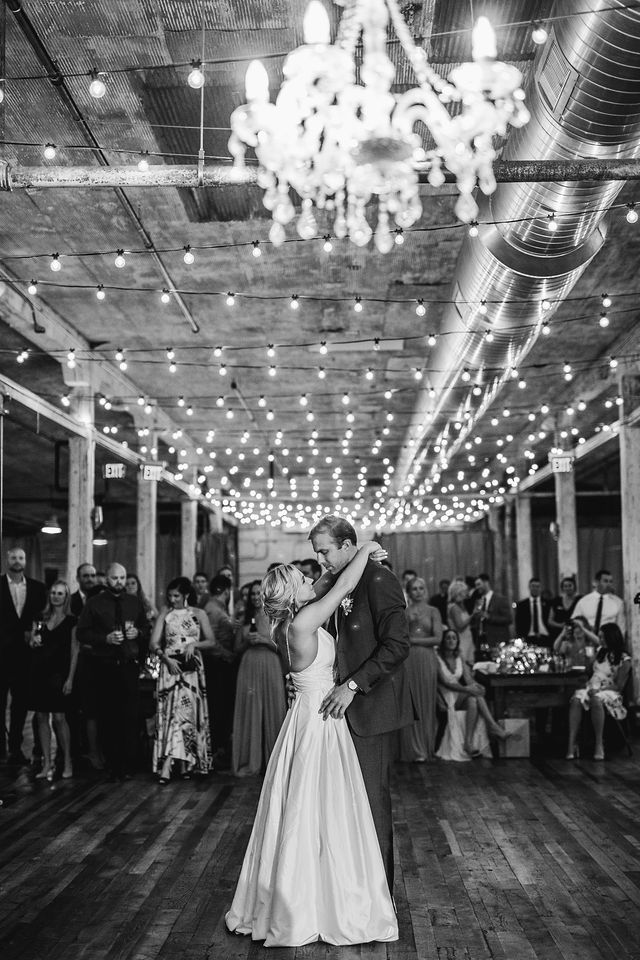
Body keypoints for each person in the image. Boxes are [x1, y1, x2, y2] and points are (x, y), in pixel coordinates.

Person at [225, 542, 398, 947]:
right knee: (326, 806)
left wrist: (323, 573)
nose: (311, 578)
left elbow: (322, 586)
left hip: (302, 717)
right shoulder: (303, 625)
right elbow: (341, 587)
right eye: (302, 579)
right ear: (291, 595)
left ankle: (301, 895)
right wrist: (366, 549)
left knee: (300, 804)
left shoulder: (282, 626)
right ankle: (318, 903)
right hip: (321, 720)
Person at [309, 515, 414, 890]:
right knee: (342, 806)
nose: (321, 560)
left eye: (325, 552)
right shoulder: (339, 582)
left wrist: (352, 685)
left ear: (348, 545)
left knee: (371, 805)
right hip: (335, 710)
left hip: (368, 708)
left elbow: (398, 645)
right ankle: (349, 891)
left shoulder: (380, 580)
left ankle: (381, 897)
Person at [77, 562, 150, 781]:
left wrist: (137, 632)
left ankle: (129, 764)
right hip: (104, 667)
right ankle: (112, 764)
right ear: (106, 579)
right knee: (108, 717)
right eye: (115, 578)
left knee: (130, 716)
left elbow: (146, 628)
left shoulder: (134, 602)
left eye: (122, 578)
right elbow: (81, 633)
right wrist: (104, 638)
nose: (119, 582)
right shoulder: (94, 603)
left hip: (129, 665)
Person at [149, 577, 215, 782]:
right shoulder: (165, 615)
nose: (172, 599)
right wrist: (165, 657)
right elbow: (153, 643)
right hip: (171, 668)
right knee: (172, 714)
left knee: (187, 714)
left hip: (191, 668)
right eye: (170, 596)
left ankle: (181, 762)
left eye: (176, 595)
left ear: (186, 595)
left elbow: (211, 641)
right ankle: (174, 764)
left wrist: (194, 645)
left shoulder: (199, 613)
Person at [231, 580, 286, 777]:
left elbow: (285, 648)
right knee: (250, 710)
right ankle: (250, 760)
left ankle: (275, 761)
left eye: (258, 593)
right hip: (249, 664)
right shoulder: (244, 618)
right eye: (252, 594)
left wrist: (264, 640)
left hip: (271, 662)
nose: (255, 597)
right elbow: (235, 649)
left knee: (274, 708)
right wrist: (246, 640)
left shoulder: (275, 616)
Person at [0, 547, 48, 764]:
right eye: (13, 557)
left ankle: (15, 748)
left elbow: (42, 619)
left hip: (25, 656)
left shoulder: (38, 588)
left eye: (21, 557)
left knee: (20, 705)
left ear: (26, 561)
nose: (17, 561)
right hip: (1, 654)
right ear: (6, 560)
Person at [28, 580, 78, 781]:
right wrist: (32, 641)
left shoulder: (72, 621)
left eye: (61, 593)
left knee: (59, 718)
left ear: (66, 597)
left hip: (60, 674)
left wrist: (71, 679)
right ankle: (46, 762)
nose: (56, 596)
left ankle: (66, 760)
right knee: (41, 717)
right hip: (40, 672)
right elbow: (33, 641)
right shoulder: (41, 617)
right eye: (54, 593)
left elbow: (75, 652)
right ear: (50, 596)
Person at [436, 628, 510, 761]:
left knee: (474, 699)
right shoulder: (437, 658)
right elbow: (445, 682)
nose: (451, 641)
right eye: (448, 638)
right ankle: (492, 726)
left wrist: (476, 686)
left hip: (459, 693)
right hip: (446, 694)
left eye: (454, 638)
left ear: (458, 641)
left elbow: (468, 678)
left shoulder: (459, 656)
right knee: (474, 695)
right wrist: (468, 690)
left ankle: (468, 743)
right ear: (443, 641)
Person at [566, 623, 632, 760]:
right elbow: (590, 673)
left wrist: (599, 689)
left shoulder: (624, 659)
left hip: (610, 691)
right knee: (577, 699)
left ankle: (599, 744)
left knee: (596, 699)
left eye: (602, 637)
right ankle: (571, 745)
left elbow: (619, 686)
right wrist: (588, 663)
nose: (600, 640)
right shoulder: (600, 653)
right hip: (592, 686)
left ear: (611, 637)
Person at [399, 576, 442, 762]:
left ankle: (426, 746)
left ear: (426, 590)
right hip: (409, 660)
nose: (418, 591)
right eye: (414, 588)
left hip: (426, 659)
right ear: (409, 592)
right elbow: (400, 638)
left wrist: (413, 640)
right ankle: (413, 749)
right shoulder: (405, 611)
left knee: (427, 701)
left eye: (421, 588)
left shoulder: (434, 611)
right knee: (412, 701)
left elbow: (438, 638)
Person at [203, 574, 239, 768]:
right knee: (218, 708)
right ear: (226, 591)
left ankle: (220, 749)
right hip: (217, 664)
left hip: (221, 664)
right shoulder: (212, 610)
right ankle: (217, 751)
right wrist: (228, 654)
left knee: (222, 708)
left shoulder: (217, 608)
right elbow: (210, 640)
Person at [572, 570, 625, 636]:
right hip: (588, 639)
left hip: (608, 640)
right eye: (605, 581)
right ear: (596, 582)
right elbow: (574, 621)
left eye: (611, 581)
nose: (609, 584)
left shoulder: (618, 602)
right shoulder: (583, 601)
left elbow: (621, 626)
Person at [472, 573, 512, 656]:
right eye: (476, 585)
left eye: (479, 584)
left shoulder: (500, 599)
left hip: (496, 640)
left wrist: (489, 617)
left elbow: (508, 619)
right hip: (481, 640)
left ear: (486, 582)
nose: (477, 588)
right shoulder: (479, 601)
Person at [515, 577, 552, 647]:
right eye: (533, 586)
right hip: (528, 637)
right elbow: (518, 623)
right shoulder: (522, 605)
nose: (535, 588)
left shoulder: (548, 604)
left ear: (541, 588)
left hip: (545, 636)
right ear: (529, 587)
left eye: (537, 586)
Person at [447, 580, 474, 664]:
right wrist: (473, 615)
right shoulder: (454, 607)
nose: (466, 594)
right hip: (461, 640)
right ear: (458, 593)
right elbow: (460, 626)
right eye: (464, 592)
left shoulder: (461, 605)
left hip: (467, 639)